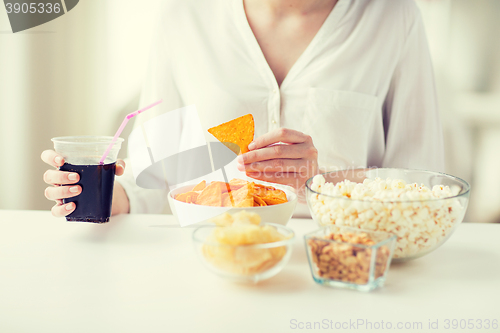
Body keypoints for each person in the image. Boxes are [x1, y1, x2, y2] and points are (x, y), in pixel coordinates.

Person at [41, 0, 444, 218]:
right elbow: (155, 173)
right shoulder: (184, 16)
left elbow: (423, 186)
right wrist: (95, 193)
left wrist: (321, 182)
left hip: (341, 265)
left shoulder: (394, 17)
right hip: (211, 266)